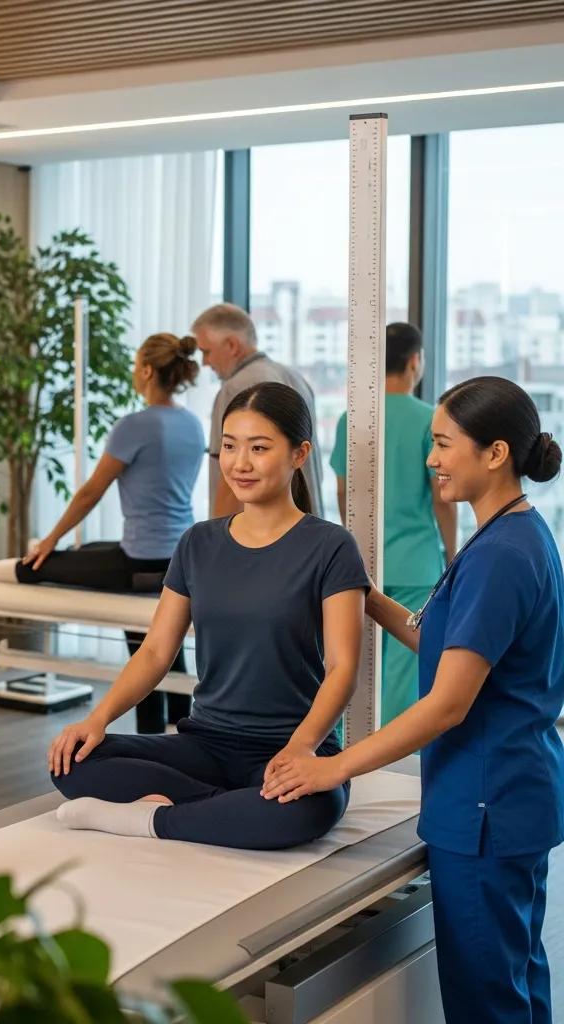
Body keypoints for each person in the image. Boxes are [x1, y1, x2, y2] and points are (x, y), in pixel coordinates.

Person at [262, 377, 563, 1024]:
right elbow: (437, 639)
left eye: (444, 445)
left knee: (488, 1000)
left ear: (496, 453)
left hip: (486, 805)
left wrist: (331, 765)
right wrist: (361, 592)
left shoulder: (500, 556)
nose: (431, 459)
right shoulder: (514, 534)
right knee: (517, 980)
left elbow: (449, 704)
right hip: (513, 795)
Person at [48, 382, 367, 850]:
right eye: (229, 447)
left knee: (305, 810)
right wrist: (98, 719)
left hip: (290, 745)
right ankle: (232, 809)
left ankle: (154, 820)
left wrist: (302, 748)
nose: (240, 463)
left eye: (259, 448)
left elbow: (343, 668)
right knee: (72, 760)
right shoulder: (198, 542)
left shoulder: (330, 546)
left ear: (299, 454)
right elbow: (156, 651)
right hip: (205, 744)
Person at [0, 333, 205, 733]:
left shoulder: (135, 426)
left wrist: (50, 539)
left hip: (140, 564)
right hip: (178, 559)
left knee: (50, 563)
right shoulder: (192, 425)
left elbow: (92, 491)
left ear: (145, 370)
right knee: (158, 645)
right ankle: (176, 733)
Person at [330, 322, 458, 723]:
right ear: (415, 361)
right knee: (405, 676)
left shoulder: (352, 419)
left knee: (357, 667)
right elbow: (443, 499)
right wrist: (453, 554)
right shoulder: (429, 419)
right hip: (416, 562)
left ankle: (358, 755)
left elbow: (342, 491)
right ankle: (397, 767)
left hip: (361, 562)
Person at [193, 303, 324, 519]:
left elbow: (229, 484)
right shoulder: (296, 378)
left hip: (258, 540)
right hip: (306, 530)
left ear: (232, 345)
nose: (205, 362)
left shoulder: (236, 389)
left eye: (206, 352)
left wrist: (214, 544)